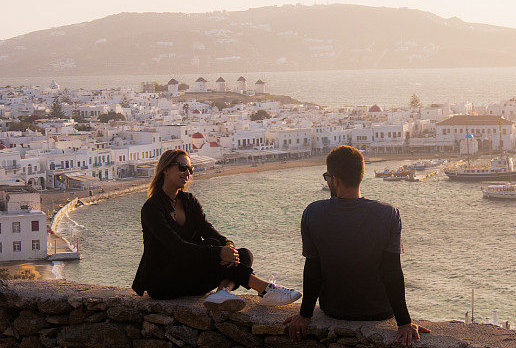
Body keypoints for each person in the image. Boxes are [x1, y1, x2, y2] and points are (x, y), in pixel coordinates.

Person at [284, 146, 429, 346]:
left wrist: (305, 314)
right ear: (361, 176)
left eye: (327, 177)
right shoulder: (389, 214)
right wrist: (404, 322)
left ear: (334, 179)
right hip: (379, 312)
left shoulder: (312, 213)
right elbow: (392, 271)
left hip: (334, 309)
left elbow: (313, 269)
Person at [132, 149, 301, 310]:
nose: (187, 173)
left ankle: (222, 293)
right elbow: (177, 247)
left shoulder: (188, 200)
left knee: (243, 255)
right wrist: (218, 253)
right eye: (182, 167)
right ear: (166, 169)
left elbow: (207, 229)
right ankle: (265, 289)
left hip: (190, 277)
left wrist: (228, 246)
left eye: (190, 169)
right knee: (215, 250)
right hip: (163, 282)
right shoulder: (152, 208)